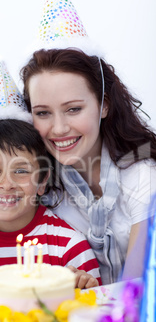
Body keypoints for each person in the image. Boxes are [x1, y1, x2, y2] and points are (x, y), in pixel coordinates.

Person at [20, 47, 156, 285]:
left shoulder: (143, 176)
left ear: (103, 105)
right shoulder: (38, 185)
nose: (59, 128)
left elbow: (136, 287)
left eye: (73, 109)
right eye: (43, 113)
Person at [0, 118, 101, 290]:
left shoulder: (69, 245)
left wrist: (85, 288)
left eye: (21, 171)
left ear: (42, 181)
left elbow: (94, 306)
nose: (6, 184)